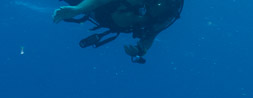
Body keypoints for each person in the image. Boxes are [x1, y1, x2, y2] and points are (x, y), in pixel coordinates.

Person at [53, 0, 183, 63]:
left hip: (99, 14)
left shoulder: (167, 14)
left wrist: (139, 51)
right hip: (92, 7)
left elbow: (151, 36)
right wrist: (78, 9)